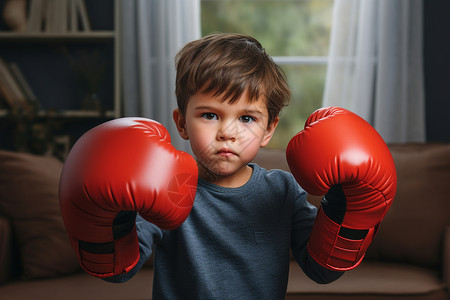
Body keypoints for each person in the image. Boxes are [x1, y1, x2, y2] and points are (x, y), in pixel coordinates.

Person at [59, 33, 396, 299]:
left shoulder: (282, 192)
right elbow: (118, 271)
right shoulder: (171, 189)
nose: (227, 133)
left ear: (269, 130)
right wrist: (110, 215)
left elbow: (322, 269)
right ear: (181, 124)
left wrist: (344, 202)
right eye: (209, 115)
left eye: (247, 118)